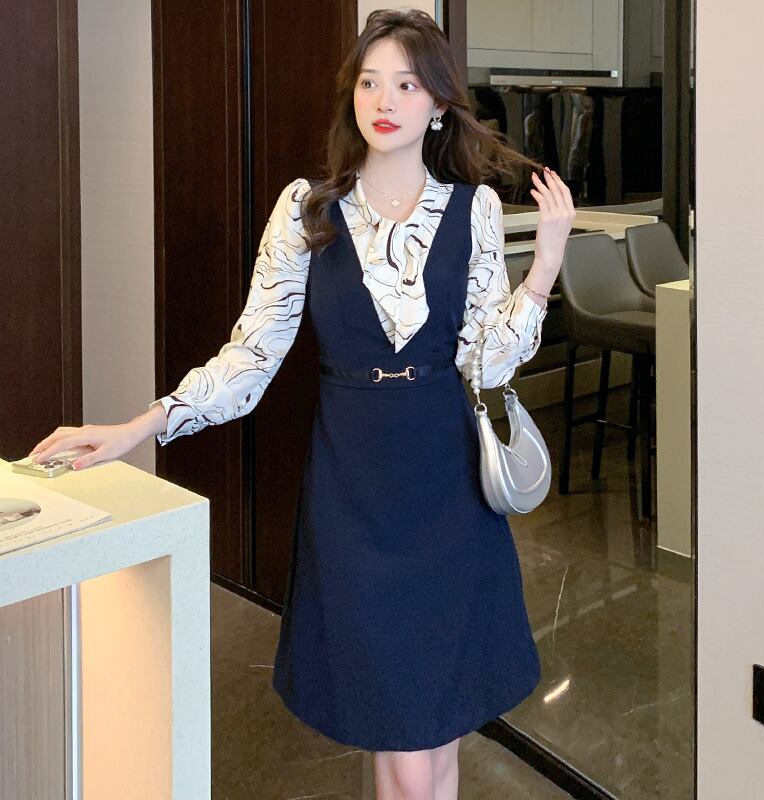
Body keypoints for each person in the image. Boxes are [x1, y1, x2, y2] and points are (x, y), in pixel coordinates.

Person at [28, 9, 575, 799]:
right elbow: (250, 357)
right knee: (400, 730)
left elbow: (486, 363)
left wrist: (544, 267)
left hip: (447, 485)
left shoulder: (475, 211)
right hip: (354, 490)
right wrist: (138, 426)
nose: (384, 99)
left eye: (407, 84)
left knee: (436, 727)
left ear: (438, 103)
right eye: (370, 82)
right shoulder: (306, 210)